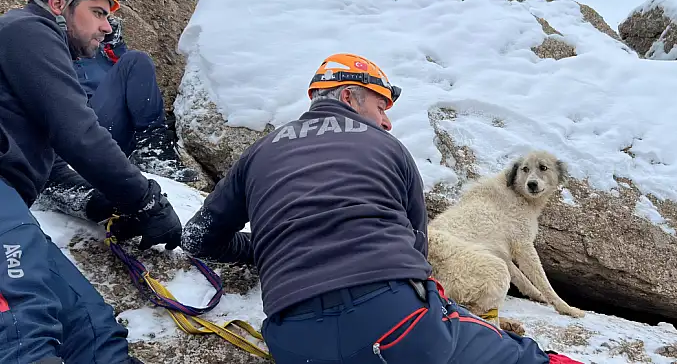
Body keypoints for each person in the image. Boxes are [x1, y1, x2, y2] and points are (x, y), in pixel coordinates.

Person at [181, 53, 582, 363]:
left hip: (295, 340)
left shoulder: (259, 153)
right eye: (381, 106)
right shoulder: (389, 149)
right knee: (523, 355)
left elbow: (197, 238)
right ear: (348, 96)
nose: (387, 121)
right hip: (395, 323)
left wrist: (265, 250)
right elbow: (416, 246)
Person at [0, 0, 184, 364]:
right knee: (20, 334)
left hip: (9, 205)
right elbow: (77, 131)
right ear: (57, 4)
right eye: (98, 12)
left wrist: (100, 200)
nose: (107, 26)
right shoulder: (27, 28)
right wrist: (144, 198)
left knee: (94, 332)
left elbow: (53, 166)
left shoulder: (26, 57)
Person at [40, 14, 198, 223]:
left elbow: (129, 76)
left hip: (114, 132)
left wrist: (115, 46)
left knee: (136, 59)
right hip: (79, 129)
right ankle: (150, 151)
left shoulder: (101, 51)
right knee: (135, 60)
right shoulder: (48, 50)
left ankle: (152, 150)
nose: (103, 27)